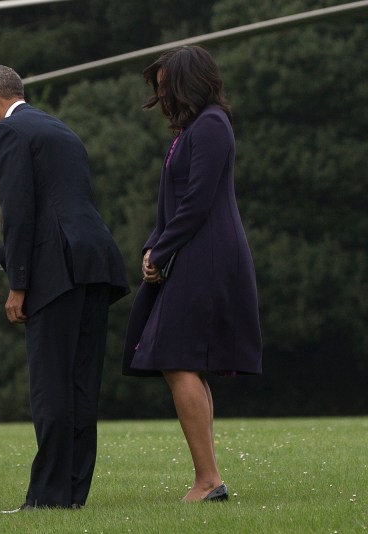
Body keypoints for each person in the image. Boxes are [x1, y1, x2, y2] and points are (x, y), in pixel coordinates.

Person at [0, 65, 129, 511]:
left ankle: (48, 498)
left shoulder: (10, 132)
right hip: (94, 263)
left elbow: (21, 213)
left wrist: (18, 285)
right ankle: (73, 492)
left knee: (51, 386)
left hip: (57, 273)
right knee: (80, 384)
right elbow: (56, 210)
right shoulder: (60, 130)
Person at [122, 45, 262, 502]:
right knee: (180, 360)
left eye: (166, 88)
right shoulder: (192, 131)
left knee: (177, 357)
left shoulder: (212, 127)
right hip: (190, 253)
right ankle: (209, 478)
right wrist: (152, 246)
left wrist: (161, 251)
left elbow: (198, 201)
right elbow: (174, 203)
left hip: (207, 257)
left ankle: (208, 480)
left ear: (189, 84)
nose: (162, 97)